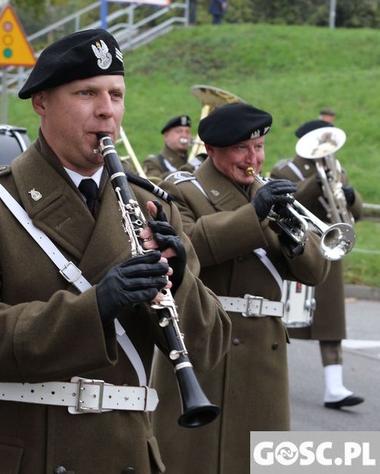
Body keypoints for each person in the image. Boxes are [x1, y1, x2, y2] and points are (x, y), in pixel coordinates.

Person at [0, 29, 231, 473]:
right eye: (86, 93)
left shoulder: (153, 205)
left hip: (124, 453)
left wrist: (181, 282)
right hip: (20, 450)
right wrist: (94, 308)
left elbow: (210, 349)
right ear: (42, 101)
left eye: (116, 94)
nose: (106, 110)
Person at [150, 103, 331, 473]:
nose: (254, 158)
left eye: (260, 147)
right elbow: (189, 244)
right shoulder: (182, 189)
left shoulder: (268, 191)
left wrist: (295, 242)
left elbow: (317, 272)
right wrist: (255, 215)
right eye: (241, 149)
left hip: (265, 349)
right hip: (205, 339)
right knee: (189, 458)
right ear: (212, 149)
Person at [270, 119, 364, 410]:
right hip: (298, 249)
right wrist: (317, 182)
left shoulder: (337, 169)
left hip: (330, 251)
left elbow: (354, 214)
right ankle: (271, 380)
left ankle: (334, 388)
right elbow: (287, 201)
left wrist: (350, 196)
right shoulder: (285, 169)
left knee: (332, 323)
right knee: (281, 322)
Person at [142, 115, 192, 184]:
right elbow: (155, 183)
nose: (185, 136)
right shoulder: (153, 162)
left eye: (187, 132)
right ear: (166, 135)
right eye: (179, 131)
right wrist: (186, 170)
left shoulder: (193, 160)